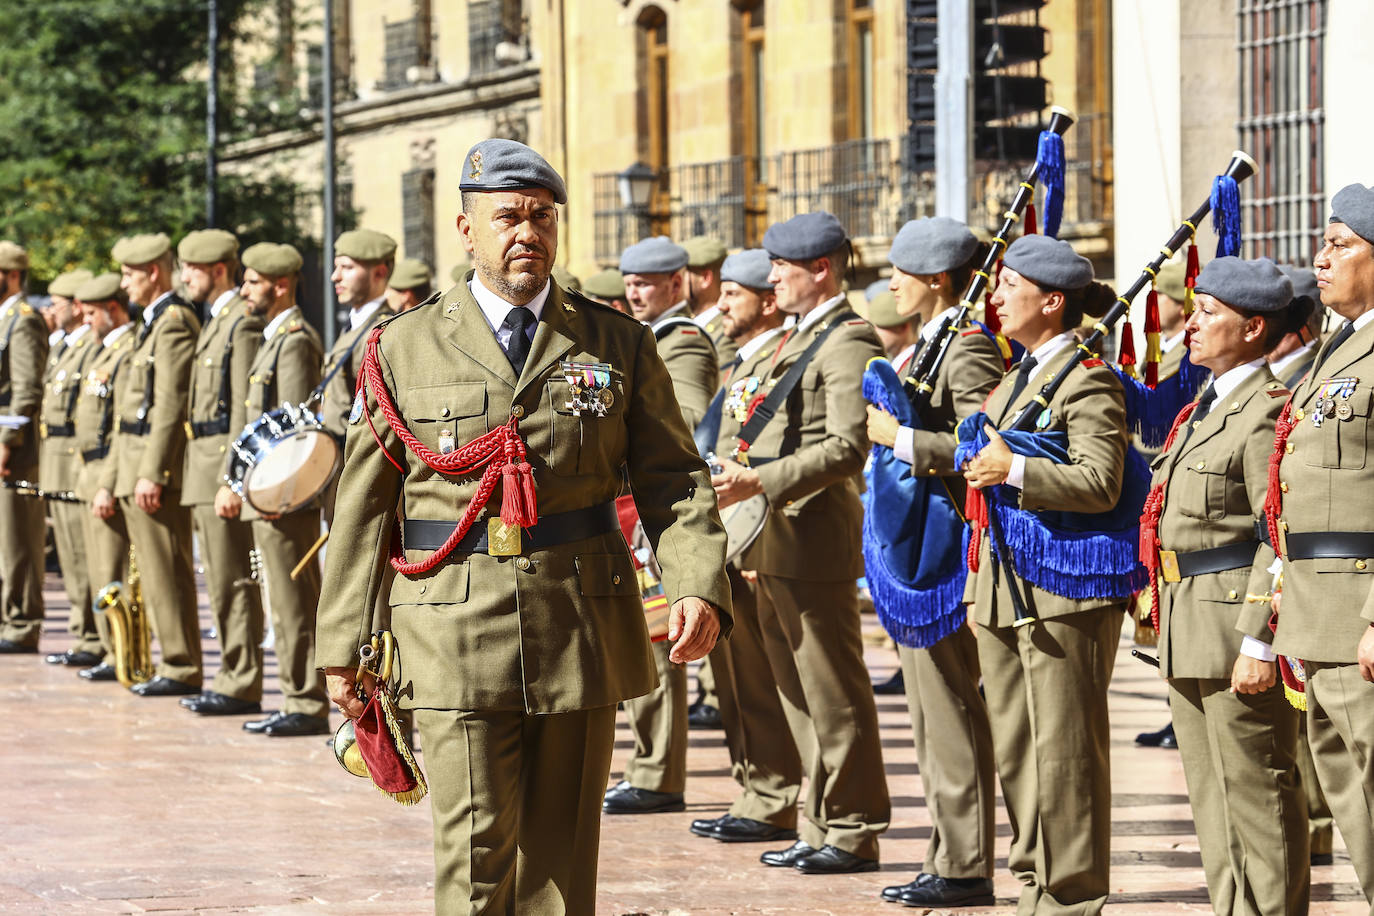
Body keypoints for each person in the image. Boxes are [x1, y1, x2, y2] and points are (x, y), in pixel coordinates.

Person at [316, 138, 730, 913]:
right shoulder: (402, 346)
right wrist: (341, 646)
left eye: (541, 216)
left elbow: (674, 477)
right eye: (507, 215)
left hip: (579, 625)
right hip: (449, 631)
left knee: (562, 865)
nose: (526, 232)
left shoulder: (616, 341)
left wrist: (699, 582)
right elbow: (364, 505)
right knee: (472, 856)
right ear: (467, 228)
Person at [712, 211, 890, 875]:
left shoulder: (845, 340)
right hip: (774, 537)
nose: (773, 278)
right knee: (796, 693)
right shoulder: (800, 337)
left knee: (833, 690)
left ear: (820, 269)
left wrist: (758, 480)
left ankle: (853, 827)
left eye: (782, 267)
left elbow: (847, 446)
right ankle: (820, 821)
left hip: (811, 536)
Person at [960, 234, 1132, 914]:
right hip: (1005, 584)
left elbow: (1101, 480)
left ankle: (1070, 896)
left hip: (1061, 590)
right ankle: (1034, 881)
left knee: (1063, 754)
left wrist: (1016, 470)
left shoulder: (1086, 376)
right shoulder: (1018, 376)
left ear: (1052, 301)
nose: (995, 297)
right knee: (1019, 749)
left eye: (1009, 285)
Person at [1146, 256, 1309, 914]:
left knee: (1258, 795)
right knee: (1213, 803)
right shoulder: (1202, 409)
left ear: (1252, 327)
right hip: (1188, 624)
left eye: (1209, 313)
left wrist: (1261, 642)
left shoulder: (1266, 411)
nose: (1191, 323)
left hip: (1232, 628)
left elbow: (1279, 528)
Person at [864, 216, 1003, 908]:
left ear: (939, 280)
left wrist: (903, 439)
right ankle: (946, 854)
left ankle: (967, 864)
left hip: (945, 548)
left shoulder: (969, 349)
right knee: (927, 714)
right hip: (916, 544)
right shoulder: (930, 343)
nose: (892, 283)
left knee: (950, 708)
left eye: (903, 271)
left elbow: (983, 445)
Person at [1270, 182, 1374, 905]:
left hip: (1358, 607)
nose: (1321, 258)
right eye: (1324, 242)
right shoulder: (1339, 348)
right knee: (1347, 789)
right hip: (1316, 609)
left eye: (1340, 244)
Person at [689, 247, 804, 845]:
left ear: (766, 299)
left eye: (733, 294)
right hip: (732, 537)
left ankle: (776, 794)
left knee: (765, 679)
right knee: (737, 678)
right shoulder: (741, 361)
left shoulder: (782, 358)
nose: (720, 303)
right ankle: (756, 788)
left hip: (763, 536)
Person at [603, 235, 719, 815]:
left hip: (656, 507)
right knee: (640, 641)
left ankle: (658, 774)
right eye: (630, 283)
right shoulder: (646, 339)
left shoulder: (685, 344)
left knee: (656, 642)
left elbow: (689, 419)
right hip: (630, 507)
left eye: (647, 283)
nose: (636, 292)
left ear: (679, 284)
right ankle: (647, 765)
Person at [233, 243, 330, 738]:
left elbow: (294, 433)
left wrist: (277, 493)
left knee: (292, 598)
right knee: (279, 596)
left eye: (251, 281)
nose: (243, 290)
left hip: (283, 495)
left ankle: (305, 701)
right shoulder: (273, 339)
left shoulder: (293, 340)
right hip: (268, 493)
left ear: (279, 285)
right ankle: (295, 695)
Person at [176, 229, 268, 716]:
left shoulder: (241, 325)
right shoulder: (215, 321)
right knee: (216, 576)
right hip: (201, 462)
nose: (183, 277)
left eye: (191, 268)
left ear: (216, 270)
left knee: (233, 578)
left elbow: (242, 415)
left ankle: (241, 679)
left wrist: (232, 478)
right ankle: (230, 673)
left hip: (219, 466)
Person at [111, 233, 203, 696]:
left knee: (166, 568)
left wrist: (154, 470)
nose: (123, 283)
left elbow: (169, 404)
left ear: (152, 273)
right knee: (151, 567)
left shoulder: (173, 322)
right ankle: (169, 659)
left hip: (151, 467)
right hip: (131, 462)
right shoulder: (150, 322)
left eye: (129, 274)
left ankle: (181, 664)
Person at [70, 273, 135, 681]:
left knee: (112, 569)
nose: (86, 320)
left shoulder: (126, 350)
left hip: (108, 468)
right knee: (97, 568)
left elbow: (118, 428)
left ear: (113, 309)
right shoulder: (104, 350)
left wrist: (108, 481)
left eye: (92, 312)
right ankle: (110, 651)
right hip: (90, 468)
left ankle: (121, 654)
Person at [39, 269, 104, 667]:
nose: (52, 310)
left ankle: (93, 637)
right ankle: (83, 635)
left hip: (74, 459)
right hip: (58, 458)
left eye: (58, 303)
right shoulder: (67, 346)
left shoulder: (90, 347)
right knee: (69, 553)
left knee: (83, 555)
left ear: (77, 307)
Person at [0, 241, 50, 654]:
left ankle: (22, 623)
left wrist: (7, 443)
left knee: (18, 541)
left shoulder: (24, 321)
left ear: (12, 275)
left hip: (15, 451)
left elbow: (26, 392)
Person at [321, 228, 396, 479]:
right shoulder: (355, 326)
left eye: (347, 268)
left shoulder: (383, 331)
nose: (335, 277)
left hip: (362, 469)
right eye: (336, 267)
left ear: (380, 273)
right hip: (339, 463)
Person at [683, 234, 739, 368]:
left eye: (681, 274)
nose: (673, 283)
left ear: (705, 278)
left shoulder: (728, 332)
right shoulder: (687, 323)